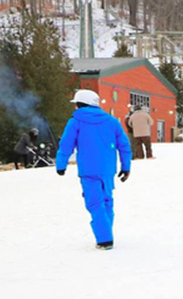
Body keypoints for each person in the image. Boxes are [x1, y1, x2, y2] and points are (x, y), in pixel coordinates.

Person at [55, 90, 132, 250]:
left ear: (80, 104)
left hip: (88, 170)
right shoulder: (111, 121)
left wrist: (61, 164)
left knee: (95, 203)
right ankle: (106, 233)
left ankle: (105, 240)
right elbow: (124, 145)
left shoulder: (75, 121)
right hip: (108, 169)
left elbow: (66, 144)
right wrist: (126, 167)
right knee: (106, 201)